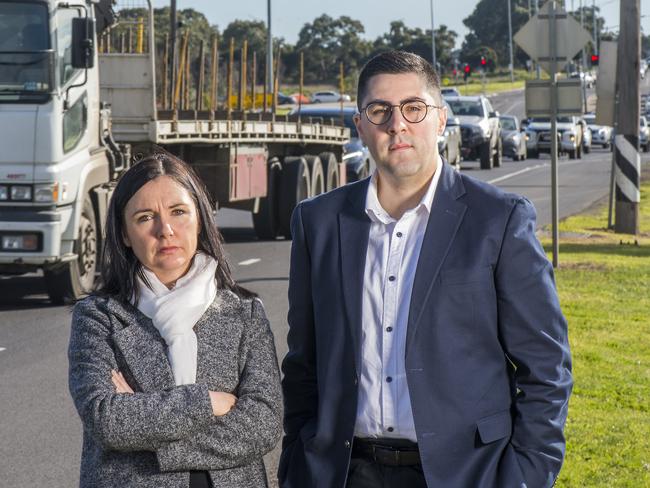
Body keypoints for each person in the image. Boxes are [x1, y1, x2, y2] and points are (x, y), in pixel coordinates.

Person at [279, 50, 572, 488]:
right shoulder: (317, 222)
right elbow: (304, 364)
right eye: (379, 110)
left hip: (467, 472)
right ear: (360, 126)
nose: (397, 124)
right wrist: (297, 464)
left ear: (440, 118)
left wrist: (526, 475)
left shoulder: (499, 219)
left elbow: (545, 366)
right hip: (345, 472)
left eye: (414, 108)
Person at [68, 152, 282, 488]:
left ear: (200, 218)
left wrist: (147, 434)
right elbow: (107, 419)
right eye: (144, 217)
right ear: (124, 234)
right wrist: (209, 402)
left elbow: (262, 425)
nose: (165, 230)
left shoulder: (245, 312)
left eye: (178, 212)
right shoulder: (99, 317)